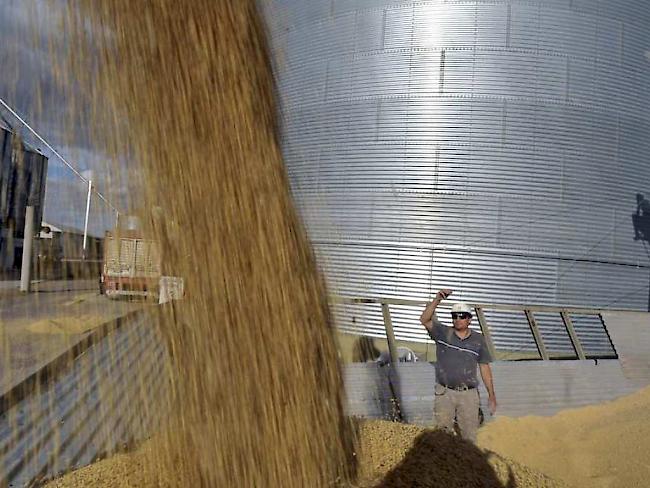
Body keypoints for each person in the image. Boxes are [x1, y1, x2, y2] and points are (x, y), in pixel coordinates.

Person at [420, 289, 497, 442]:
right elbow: (425, 319)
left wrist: (491, 394)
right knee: (442, 435)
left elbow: (484, 367)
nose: (458, 319)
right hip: (445, 393)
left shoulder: (478, 340)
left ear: (469, 319)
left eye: (462, 316)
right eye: (454, 316)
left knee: (469, 437)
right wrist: (438, 299)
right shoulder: (443, 333)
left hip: (468, 395)